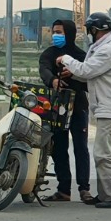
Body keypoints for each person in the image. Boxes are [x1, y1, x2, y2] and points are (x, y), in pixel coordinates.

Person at [56, 12, 111, 209]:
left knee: (104, 155)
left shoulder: (109, 50)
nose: (89, 33)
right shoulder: (102, 47)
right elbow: (89, 73)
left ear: (94, 30)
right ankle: (105, 195)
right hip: (107, 108)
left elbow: (86, 71)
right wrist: (74, 71)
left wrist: (66, 60)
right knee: (102, 154)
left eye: (89, 30)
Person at [38, 18, 92, 203]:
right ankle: (63, 191)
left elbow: (89, 80)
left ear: (69, 34)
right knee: (59, 148)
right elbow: (43, 69)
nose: (56, 35)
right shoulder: (49, 53)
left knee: (80, 148)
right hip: (56, 107)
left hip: (78, 107)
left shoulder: (81, 55)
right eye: (54, 31)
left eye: (60, 32)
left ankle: (84, 189)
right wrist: (53, 80)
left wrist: (75, 74)